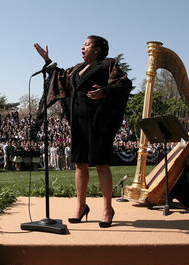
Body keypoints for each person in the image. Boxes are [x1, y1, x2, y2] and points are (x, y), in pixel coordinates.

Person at [34, 35, 131, 227]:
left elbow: (124, 84)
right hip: (78, 121)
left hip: (98, 122)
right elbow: (60, 77)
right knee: (80, 164)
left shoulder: (107, 65)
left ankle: (107, 208)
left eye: (87, 45)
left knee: (101, 164)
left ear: (97, 49)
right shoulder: (77, 68)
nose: (82, 47)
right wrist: (47, 60)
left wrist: (105, 91)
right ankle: (81, 206)